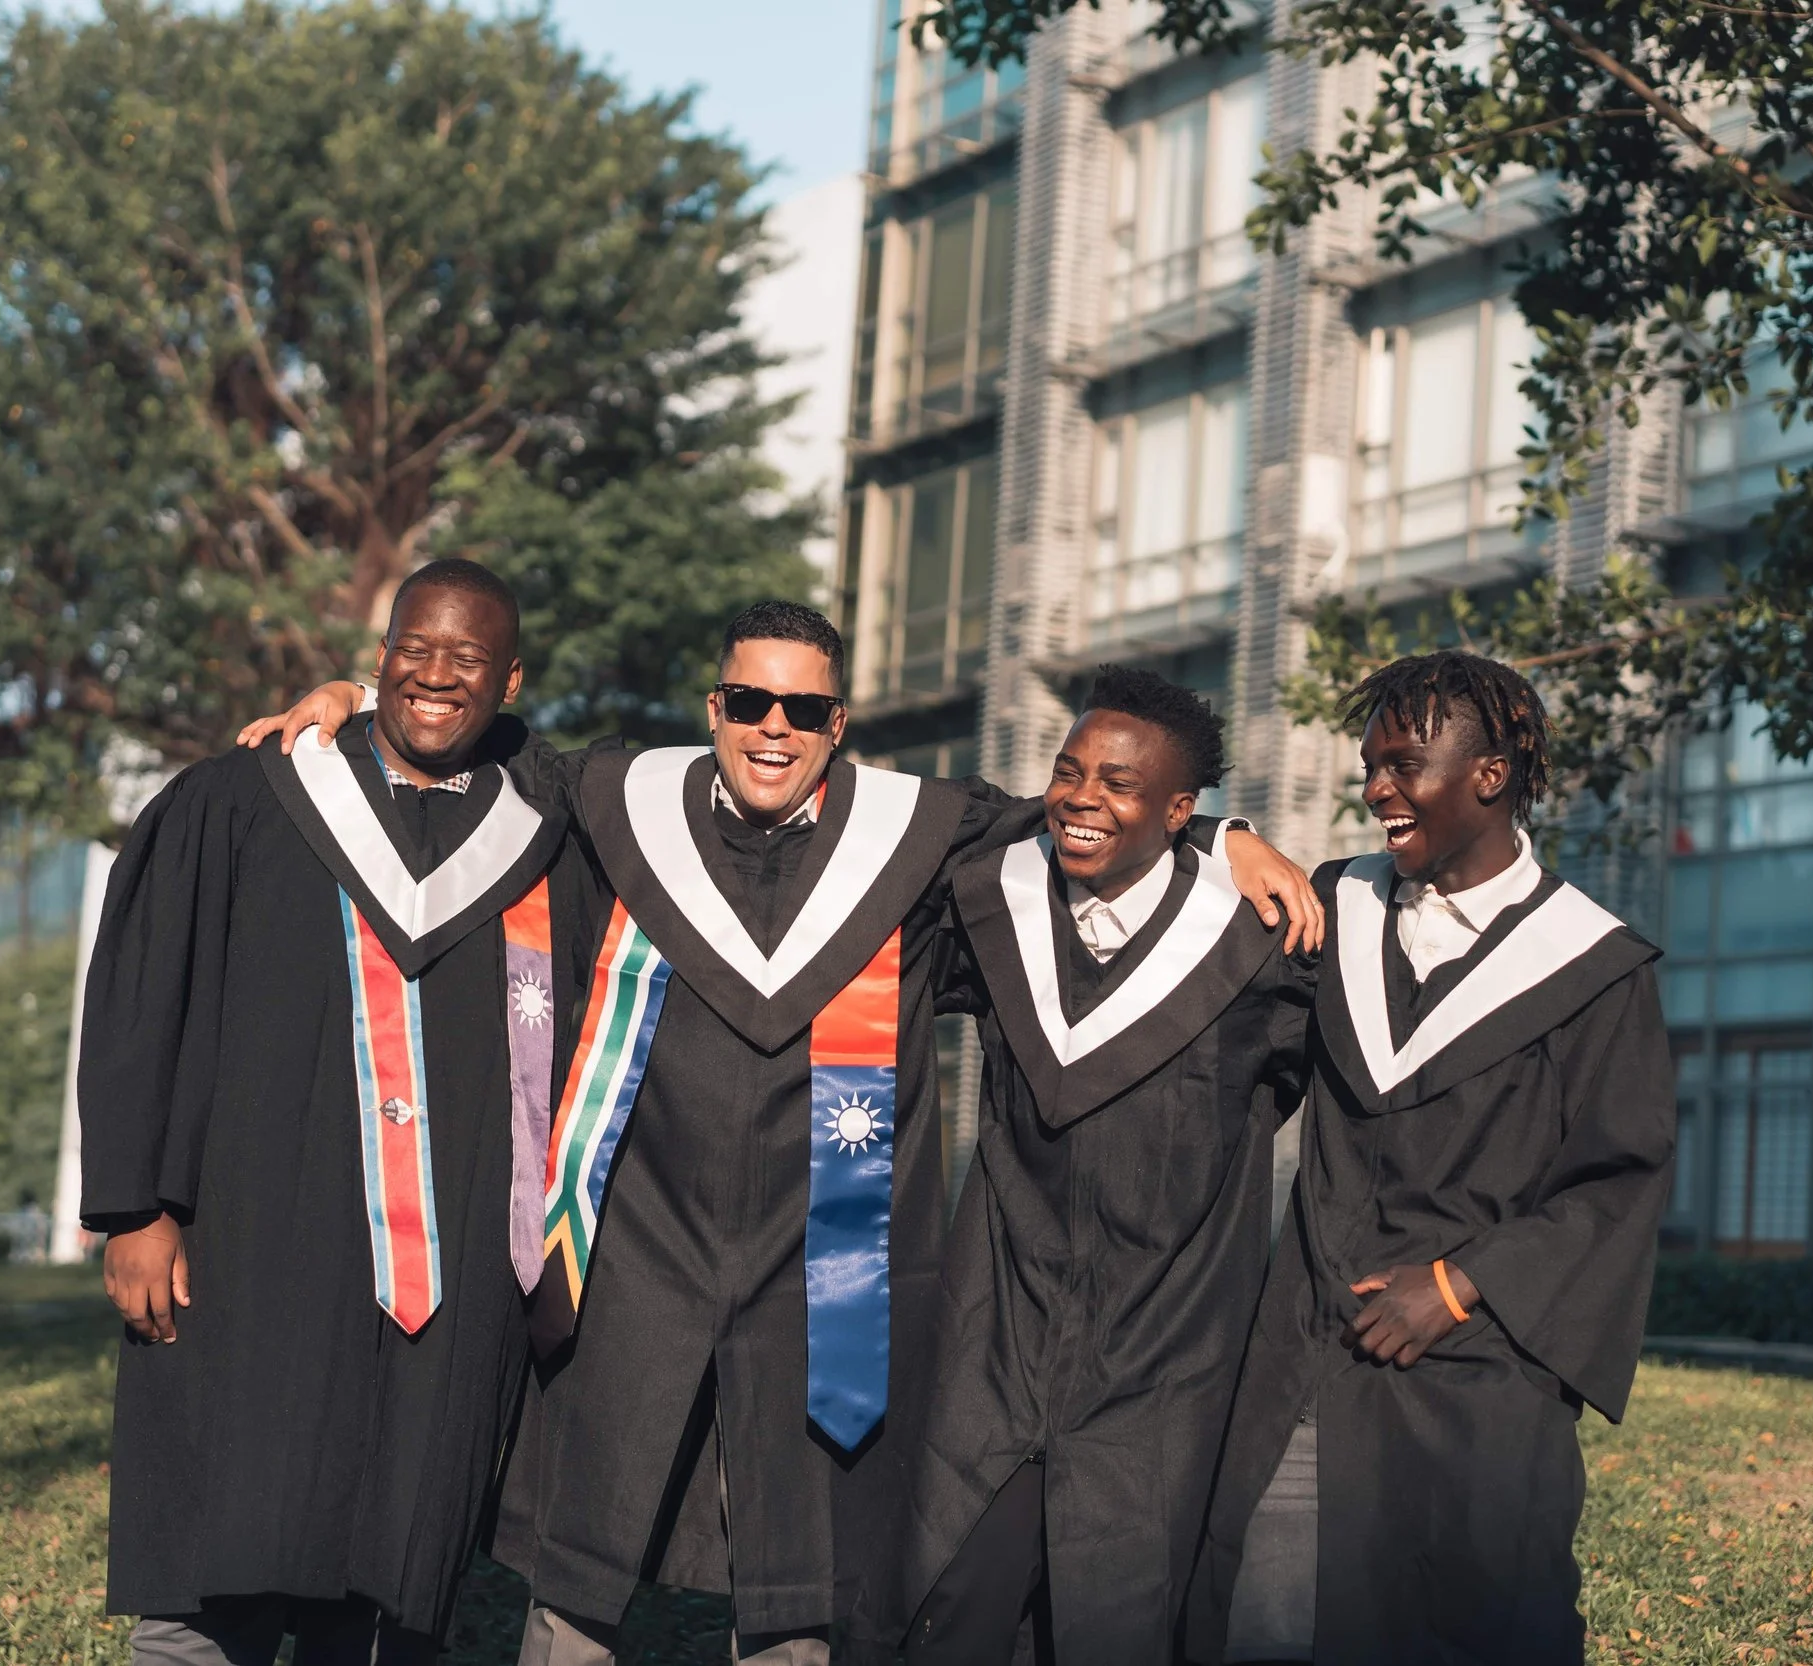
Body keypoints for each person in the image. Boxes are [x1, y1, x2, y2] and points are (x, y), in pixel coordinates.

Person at [243, 603, 1323, 1666]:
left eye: (803, 707)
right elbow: (489, 750)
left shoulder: (916, 831)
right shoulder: (621, 797)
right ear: (714, 706)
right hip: (640, 1244)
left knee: (799, 1573)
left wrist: (1226, 834)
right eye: (751, 700)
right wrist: (351, 697)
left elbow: (1086, 816)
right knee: (579, 1572)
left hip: (824, 1262)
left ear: (838, 723)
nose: (774, 726)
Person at [78, 560, 606, 1665]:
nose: (435, 674)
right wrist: (134, 1208)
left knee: (397, 1558)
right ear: (376, 660)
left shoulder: (552, 827)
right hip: (250, 1246)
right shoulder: (242, 798)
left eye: (468, 659)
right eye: (415, 647)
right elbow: (142, 1000)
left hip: (451, 1279)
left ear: (510, 682)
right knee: (223, 1539)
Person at [1184, 649, 1676, 1666]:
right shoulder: (1336, 911)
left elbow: (1615, 1183)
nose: (1375, 790)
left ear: (1488, 775)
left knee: (1462, 1624)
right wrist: (1214, 838)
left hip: (1474, 1380)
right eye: (1370, 766)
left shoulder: (1592, 967)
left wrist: (1458, 1285)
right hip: (1307, 1356)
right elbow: (1218, 1065)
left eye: (1402, 764)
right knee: (1260, 1616)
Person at [896, 667, 1316, 1665]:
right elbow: (959, 820)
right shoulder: (996, 909)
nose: (1084, 796)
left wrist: (1222, 841)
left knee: (1113, 1622)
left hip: (1160, 1358)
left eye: (1121, 785)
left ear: (1179, 809)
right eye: (1068, 770)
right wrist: (1224, 832)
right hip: (996, 1334)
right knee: (952, 1604)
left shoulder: (1260, 954)